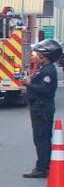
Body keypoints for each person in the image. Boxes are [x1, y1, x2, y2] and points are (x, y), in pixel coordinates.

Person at [21, 38, 61, 178]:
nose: (35, 57)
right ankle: (44, 165)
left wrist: (29, 84)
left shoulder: (48, 71)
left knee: (42, 139)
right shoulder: (43, 69)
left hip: (42, 108)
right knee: (39, 138)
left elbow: (46, 90)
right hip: (38, 107)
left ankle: (42, 168)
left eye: (38, 55)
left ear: (46, 57)